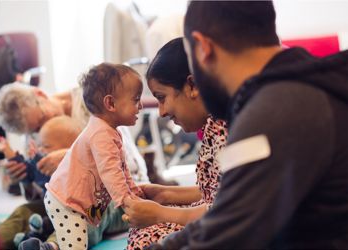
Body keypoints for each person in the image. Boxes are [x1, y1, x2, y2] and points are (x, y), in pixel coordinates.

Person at [147, 1, 348, 249]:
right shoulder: (302, 87)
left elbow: (222, 238)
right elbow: (224, 211)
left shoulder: (275, 112)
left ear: (203, 48)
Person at [122, 37, 228, 250]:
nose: (160, 111)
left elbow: (224, 209)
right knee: (143, 231)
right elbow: (215, 189)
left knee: (147, 237)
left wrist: (161, 213)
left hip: (221, 225)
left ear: (192, 86)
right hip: (213, 214)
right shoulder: (212, 126)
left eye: (162, 97)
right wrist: (166, 194)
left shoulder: (225, 130)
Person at [44, 63, 145, 249]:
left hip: (78, 204)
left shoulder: (108, 131)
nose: (141, 105)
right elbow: (110, 172)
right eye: (136, 99)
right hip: (67, 203)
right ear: (111, 104)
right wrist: (126, 200)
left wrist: (134, 192)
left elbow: (121, 167)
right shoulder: (100, 134)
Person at [0, 116, 81, 250]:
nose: (40, 150)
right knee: (23, 210)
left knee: (75, 224)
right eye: (39, 145)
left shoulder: (81, 165)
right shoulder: (40, 163)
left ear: (68, 149)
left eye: (46, 146)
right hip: (49, 207)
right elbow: (25, 169)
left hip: (77, 209)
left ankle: (49, 247)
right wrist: (8, 152)